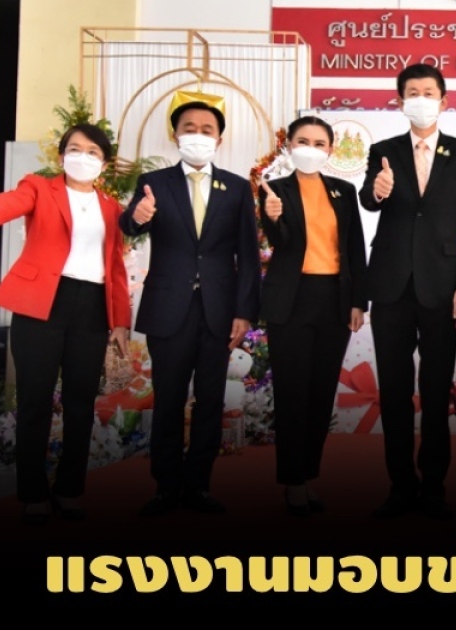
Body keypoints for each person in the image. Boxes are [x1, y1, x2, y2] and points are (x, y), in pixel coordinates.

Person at [0, 123, 131, 524]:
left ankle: (70, 490)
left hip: (92, 309)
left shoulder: (112, 207)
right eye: (74, 149)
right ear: (62, 156)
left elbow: (115, 268)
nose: (82, 156)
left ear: (104, 164)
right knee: (34, 401)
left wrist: (120, 322)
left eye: (93, 152)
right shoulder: (40, 187)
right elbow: (11, 203)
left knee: (81, 403)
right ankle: (33, 493)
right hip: (40, 305)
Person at [120, 98, 260, 517]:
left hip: (219, 309)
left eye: (206, 129)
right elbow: (130, 225)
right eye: (189, 128)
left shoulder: (236, 187)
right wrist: (139, 215)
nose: (198, 135)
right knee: (168, 399)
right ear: (175, 134)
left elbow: (247, 254)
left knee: (211, 400)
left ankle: (198, 486)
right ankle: (166, 487)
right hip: (169, 307)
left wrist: (244, 312)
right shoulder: (154, 182)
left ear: (219, 138)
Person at [359, 63, 456, 520]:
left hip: (442, 287)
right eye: (412, 92)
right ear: (399, 102)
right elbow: (368, 200)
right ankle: (400, 487)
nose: (420, 99)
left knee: (435, 393)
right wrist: (377, 190)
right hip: (390, 286)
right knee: (393, 393)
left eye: (428, 92)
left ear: (443, 101)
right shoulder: (384, 151)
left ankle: (433, 488)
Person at [259, 115, 367, 517]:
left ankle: (308, 475)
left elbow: (355, 248)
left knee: (321, 393)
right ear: (289, 146)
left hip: (334, 300)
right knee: (292, 392)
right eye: (302, 141)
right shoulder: (275, 189)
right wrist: (272, 216)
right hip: (291, 299)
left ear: (330, 150)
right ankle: (293, 480)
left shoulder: (343, 190)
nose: (310, 148)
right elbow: (282, 244)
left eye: (319, 143)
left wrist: (358, 302)